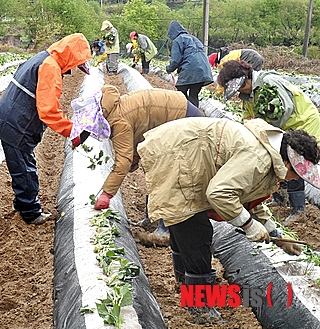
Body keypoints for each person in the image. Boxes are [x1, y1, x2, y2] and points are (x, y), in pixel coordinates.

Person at [137, 117, 319, 323]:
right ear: (287, 163)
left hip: (182, 154)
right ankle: (200, 307)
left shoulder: (271, 154)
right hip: (177, 157)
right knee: (195, 230)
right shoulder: (258, 160)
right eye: (297, 174)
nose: (296, 179)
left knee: (186, 225)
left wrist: (276, 236)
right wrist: (248, 225)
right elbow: (219, 193)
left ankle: (183, 281)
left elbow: (249, 196)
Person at [0, 33, 91, 225]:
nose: (74, 69)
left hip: (14, 121)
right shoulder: (50, 67)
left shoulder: (43, 58)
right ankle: (30, 213)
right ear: (71, 55)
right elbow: (48, 110)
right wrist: (73, 131)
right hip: (17, 125)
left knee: (23, 165)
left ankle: (23, 206)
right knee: (25, 170)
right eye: (76, 64)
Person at [92, 85, 204, 246]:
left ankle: (164, 230)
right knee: (153, 166)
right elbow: (143, 128)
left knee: (167, 174)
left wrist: (107, 194)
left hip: (184, 120)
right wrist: (136, 157)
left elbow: (122, 161)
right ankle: (151, 219)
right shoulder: (113, 106)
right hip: (176, 115)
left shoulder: (118, 121)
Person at [218, 59, 320, 223]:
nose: (238, 91)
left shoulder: (268, 83)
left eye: (239, 86)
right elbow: (248, 117)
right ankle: (279, 199)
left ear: (246, 78)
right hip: (284, 131)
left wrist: (265, 129)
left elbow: (285, 111)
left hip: (303, 124)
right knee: (275, 163)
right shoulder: (249, 95)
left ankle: (298, 209)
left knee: (295, 164)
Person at [165, 21, 213, 107]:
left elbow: (176, 60)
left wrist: (169, 69)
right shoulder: (193, 38)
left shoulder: (178, 40)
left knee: (181, 92)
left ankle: (186, 113)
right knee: (194, 95)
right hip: (204, 70)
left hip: (191, 69)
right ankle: (194, 115)